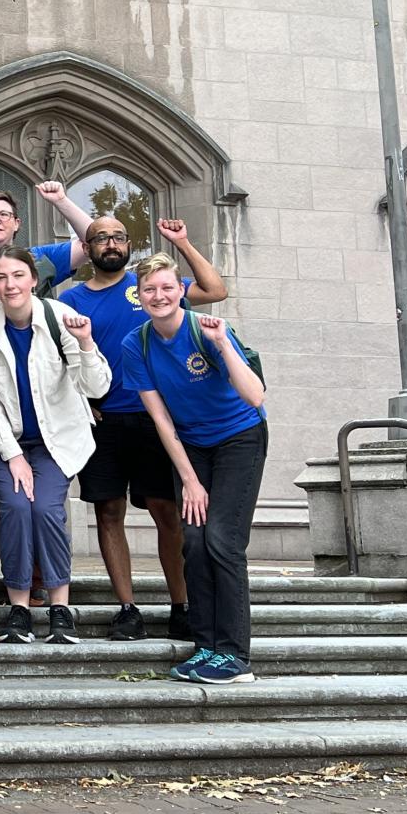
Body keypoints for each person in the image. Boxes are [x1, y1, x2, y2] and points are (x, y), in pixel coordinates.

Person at [59, 214, 228, 640]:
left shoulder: (149, 290)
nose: (110, 243)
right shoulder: (72, 300)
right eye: (100, 238)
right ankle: (127, 608)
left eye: (118, 236)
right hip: (104, 423)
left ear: (128, 243)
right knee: (108, 511)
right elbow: (63, 361)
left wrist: (184, 243)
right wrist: (84, 402)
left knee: (167, 512)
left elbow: (216, 290)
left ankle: (181, 604)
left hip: (159, 422)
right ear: (88, 248)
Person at [0, 181, 96, 609]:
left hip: (41, 394)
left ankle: (40, 578)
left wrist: (61, 201)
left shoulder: (43, 259)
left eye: (4, 215)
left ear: (17, 224)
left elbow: (92, 241)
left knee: (40, 500)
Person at [116, 254, 268, 685]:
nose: (159, 296)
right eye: (149, 290)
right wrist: (189, 480)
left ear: (181, 289)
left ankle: (235, 656)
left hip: (240, 438)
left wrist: (222, 344)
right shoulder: (137, 344)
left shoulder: (206, 330)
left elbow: (254, 396)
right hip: (193, 447)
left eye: (167, 287)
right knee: (194, 542)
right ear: (139, 296)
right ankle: (206, 647)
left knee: (223, 540)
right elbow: (161, 420)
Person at [0, 248, 111, 645]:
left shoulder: (59, 318)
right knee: (14, 507)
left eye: (18, 275)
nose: (10, 284)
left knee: (44, 508)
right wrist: (13, 457)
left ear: (33, 280)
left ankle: (60, 609)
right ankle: (20, 609)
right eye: (1, 277)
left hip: (55, 438)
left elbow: (97, 388)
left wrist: (86, 342)